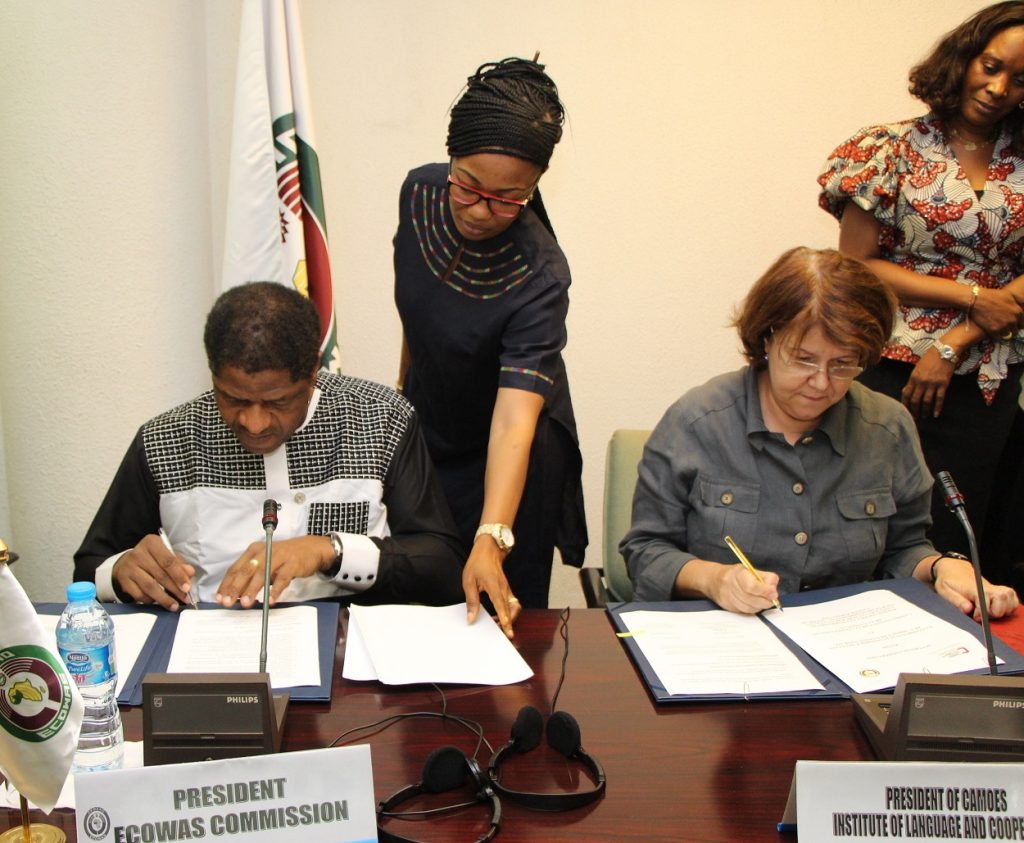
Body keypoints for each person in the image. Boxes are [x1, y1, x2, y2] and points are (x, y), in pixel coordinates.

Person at [620, 247, 1019, 620]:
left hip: (845, 646)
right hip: (721, 641)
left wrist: (941, 567)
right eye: (803, 359)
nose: (821, 383)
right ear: (765, 339)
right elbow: (646, 552)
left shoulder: (886, 427)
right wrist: (715, 580)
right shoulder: (697, 421)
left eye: (844, 364)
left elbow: (903, 549)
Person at [74, 282, 465, 610]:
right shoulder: (166, 439)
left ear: (313, 373)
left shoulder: (381, 419)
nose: (254, 423)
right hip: (210, 659)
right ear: (213, 375)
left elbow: (442, 565)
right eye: (233, 399)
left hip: (350, 661)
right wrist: (122, 570)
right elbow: (89, 569)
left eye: (278, 402)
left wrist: (331, 550)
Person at [818, 2, 1024, 585]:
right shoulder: (887, 148)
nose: (999, 87)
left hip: (987, 374)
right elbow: (856, 263)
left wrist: (960, 337)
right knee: (869, 522)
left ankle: (951, 669)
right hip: (887, 363)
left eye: (1021, 79)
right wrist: (970, 295)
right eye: (990, 65)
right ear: (963, 58)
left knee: (960, 532)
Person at [393, 56, 587, 633]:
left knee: (496, 617)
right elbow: (418, 314)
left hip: (512, 452)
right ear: (451, 159)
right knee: (416, 591)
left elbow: (513, 423)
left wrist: (491, 534)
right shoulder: (420, 194)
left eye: (509, 198)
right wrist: (400, 412)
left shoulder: (541, 275)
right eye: (470, 185)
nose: (482, 210)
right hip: (434, 423)